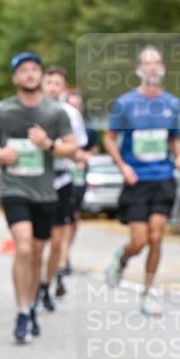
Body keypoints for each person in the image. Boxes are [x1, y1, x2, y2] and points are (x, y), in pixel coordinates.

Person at [0, 53, 77, 343]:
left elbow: (72, 147)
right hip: (14, 188)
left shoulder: (55, 113)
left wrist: (49, 145)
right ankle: (22, 311)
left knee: (36, 253)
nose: (31, 74)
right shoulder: (2, 110)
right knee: (22, 248)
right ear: (15, 78)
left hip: (46, 192)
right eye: (24, 70)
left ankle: (32, 303)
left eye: (35, 69)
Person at [103, 46, 180, 316]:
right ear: (139, 70)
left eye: (156, 62)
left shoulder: (172, 104)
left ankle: (148, 292)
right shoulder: (126, 103)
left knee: (156, 237)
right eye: (146, 62)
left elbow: (173, 139)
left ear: (162, 68)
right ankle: (123, 257)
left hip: (163, 178)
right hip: (136, 180)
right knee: (139, 241)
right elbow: (109, 138)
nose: (152, 67)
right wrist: (123, 166)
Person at [41, 65, 92, 306]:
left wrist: (68, 153)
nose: (52, 87)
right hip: (34, 180)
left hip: (61, 179)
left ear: (64, 87)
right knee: (34, 240)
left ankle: (47, 284)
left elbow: (77, 149)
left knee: (57, 239)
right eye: (48, 82)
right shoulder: (31, 110)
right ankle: (35, 283)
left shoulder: (71, 114)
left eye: (57, 83)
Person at [61, 88, 98, 283]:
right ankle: (59, 255)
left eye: (77, 105)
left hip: (79, 178)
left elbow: (92, 149)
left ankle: (66, 253)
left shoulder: (88, 129)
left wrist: (84, 157)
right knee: (61, 218)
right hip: (61, 177)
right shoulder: (58, 124)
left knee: (74, 217)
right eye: (71, 104)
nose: (74, 108)